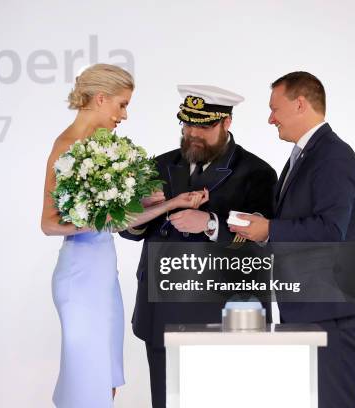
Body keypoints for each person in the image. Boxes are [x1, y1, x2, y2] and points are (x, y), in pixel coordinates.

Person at [40, 64, 208, 408]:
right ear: (101, 99)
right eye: (122, 104)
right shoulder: (67, 146)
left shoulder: (105, 149)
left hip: (104, 277)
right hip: (80, 277)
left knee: (106, 382)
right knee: (86, 382)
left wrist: (171, 202)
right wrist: (104, 214)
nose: (125, 115)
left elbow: (116, 222)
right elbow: (49, 223)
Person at [119, 85, 277, 408]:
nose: (193, 134)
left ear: (226, 123)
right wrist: (140, 216)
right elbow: (131, 230)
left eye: (203, 126)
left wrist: (209, 223)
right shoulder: (159, 166)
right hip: (161, 312)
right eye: (187, 124)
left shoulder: (257, 173)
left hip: (222, 317)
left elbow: (263, 245)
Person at [230, 71, 355, 407]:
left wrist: (268, 230)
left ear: (299, 104)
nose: (270, 119)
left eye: (274, 109)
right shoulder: (307, 155)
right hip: (311, 307)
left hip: (331, 311)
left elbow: (330, 230)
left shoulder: (333, 155)